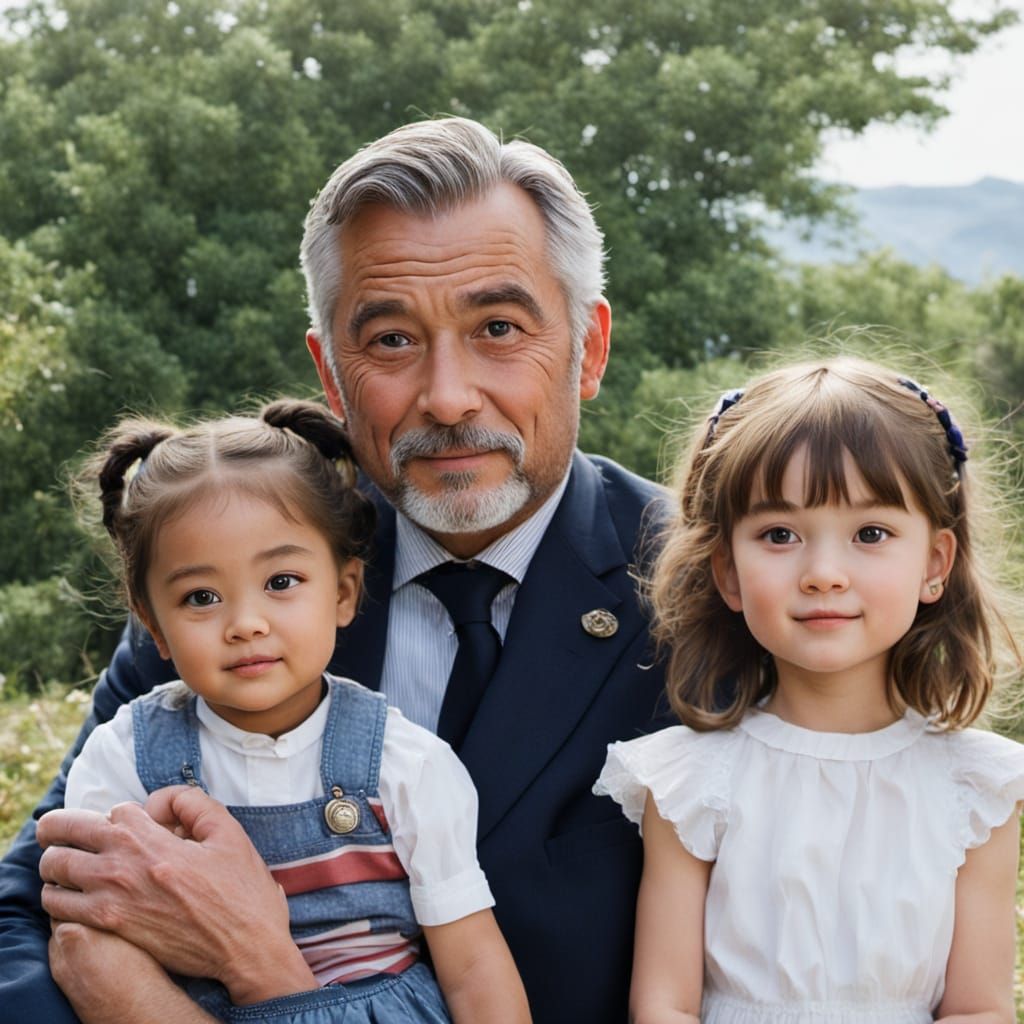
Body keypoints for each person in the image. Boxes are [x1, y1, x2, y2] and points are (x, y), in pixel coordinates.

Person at [0, 117, 668, 1024]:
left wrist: (256, 955)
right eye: (391, 340)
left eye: (498, 328)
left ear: (589, 348)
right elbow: (33, 918)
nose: (447, 397)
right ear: (329, 372)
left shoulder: (712, 590)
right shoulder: (237, 576)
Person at [50, 398, 530, 1024]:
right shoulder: (123, 759)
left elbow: (473, 968)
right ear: (154, 627)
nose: (246, 623)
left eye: (281, 583)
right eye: (201, 597)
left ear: (344, 592)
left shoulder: (405, 764)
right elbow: (95, 947)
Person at [595, 357, 1024, 1023]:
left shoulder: (976, 787)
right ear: (728, 572)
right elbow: (663, 1007)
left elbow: (980, 1009)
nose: (824, 572)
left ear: (935, 563)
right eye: (780, 535)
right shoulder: (688, 783)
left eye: (871, 533)